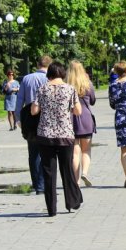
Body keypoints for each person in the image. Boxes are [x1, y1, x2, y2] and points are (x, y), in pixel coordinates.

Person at [31, 62, 83, 217]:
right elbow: (78, 111)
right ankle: (71, 202)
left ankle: (51, 209)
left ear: (50, 74)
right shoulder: (70, 89)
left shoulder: (42, 88)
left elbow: (34, 111)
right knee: (67, 169)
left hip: (45, 135)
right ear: (62, 73)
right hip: (65, 135)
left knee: (48, 172)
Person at [17, 55, 52, 195]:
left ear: (38, 64)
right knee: (47, 152)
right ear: (49, 66)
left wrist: (18, 119)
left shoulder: (26, 78)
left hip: (30, 119)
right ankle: (46, 182)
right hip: (47, 118)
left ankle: (38, 184)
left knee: (33, 153)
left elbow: (19, 100)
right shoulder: (50, 79)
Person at [68, 60, 97, 187]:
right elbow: (92, 101)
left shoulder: (66, 84)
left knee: (75, 152)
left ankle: (76, 180)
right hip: (85, 118)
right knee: (86, 150)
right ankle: (84, 172)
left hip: (70, 119)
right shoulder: (87, 83)